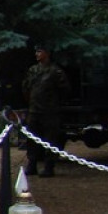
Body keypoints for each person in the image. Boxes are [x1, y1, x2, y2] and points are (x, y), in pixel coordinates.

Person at [21, 45, 69, 177]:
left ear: (47, 53)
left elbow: (64, 90)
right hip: (34, 110)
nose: (37, 54)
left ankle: (49, 166)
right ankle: (32, 164)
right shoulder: (33, 70)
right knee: (32, 138)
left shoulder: (55, 71)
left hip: (50, 111)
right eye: (36, 51)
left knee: (50, 139)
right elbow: (26, 87)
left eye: (39, 51)